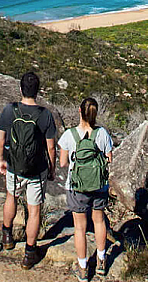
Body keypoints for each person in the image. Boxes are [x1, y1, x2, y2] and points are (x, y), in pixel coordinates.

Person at [0, 71, 57, 270]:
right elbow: (50, 147)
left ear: (21, 89)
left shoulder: (9, 110)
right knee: (34, 210)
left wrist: (2, 160)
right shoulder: (45, 115)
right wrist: (51, 169)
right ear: (37, 91)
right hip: (36, 170)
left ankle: (7, 236)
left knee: (11, 197)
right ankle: (29, 254)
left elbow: (0, 140)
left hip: (14, 165)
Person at [58, 97, 114, 280]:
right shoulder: (103, 134)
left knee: (80, 228)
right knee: (99, 221)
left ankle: (83, 268)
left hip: (77, 187)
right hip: (99, 185)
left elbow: (63, 162)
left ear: (80, 112)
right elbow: (109, 159)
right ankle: (101, 261)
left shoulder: (69, 135)